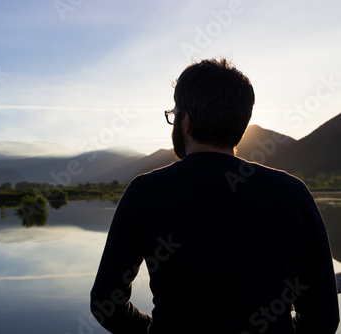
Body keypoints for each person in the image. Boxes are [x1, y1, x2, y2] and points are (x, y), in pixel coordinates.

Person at [90, 58, 340, 333]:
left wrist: (153, 329)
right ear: (241, 124)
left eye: (174, 115)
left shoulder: (144, 192)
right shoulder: (293, 193)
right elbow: (323, 316)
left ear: (186, 121)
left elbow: (106, 303)